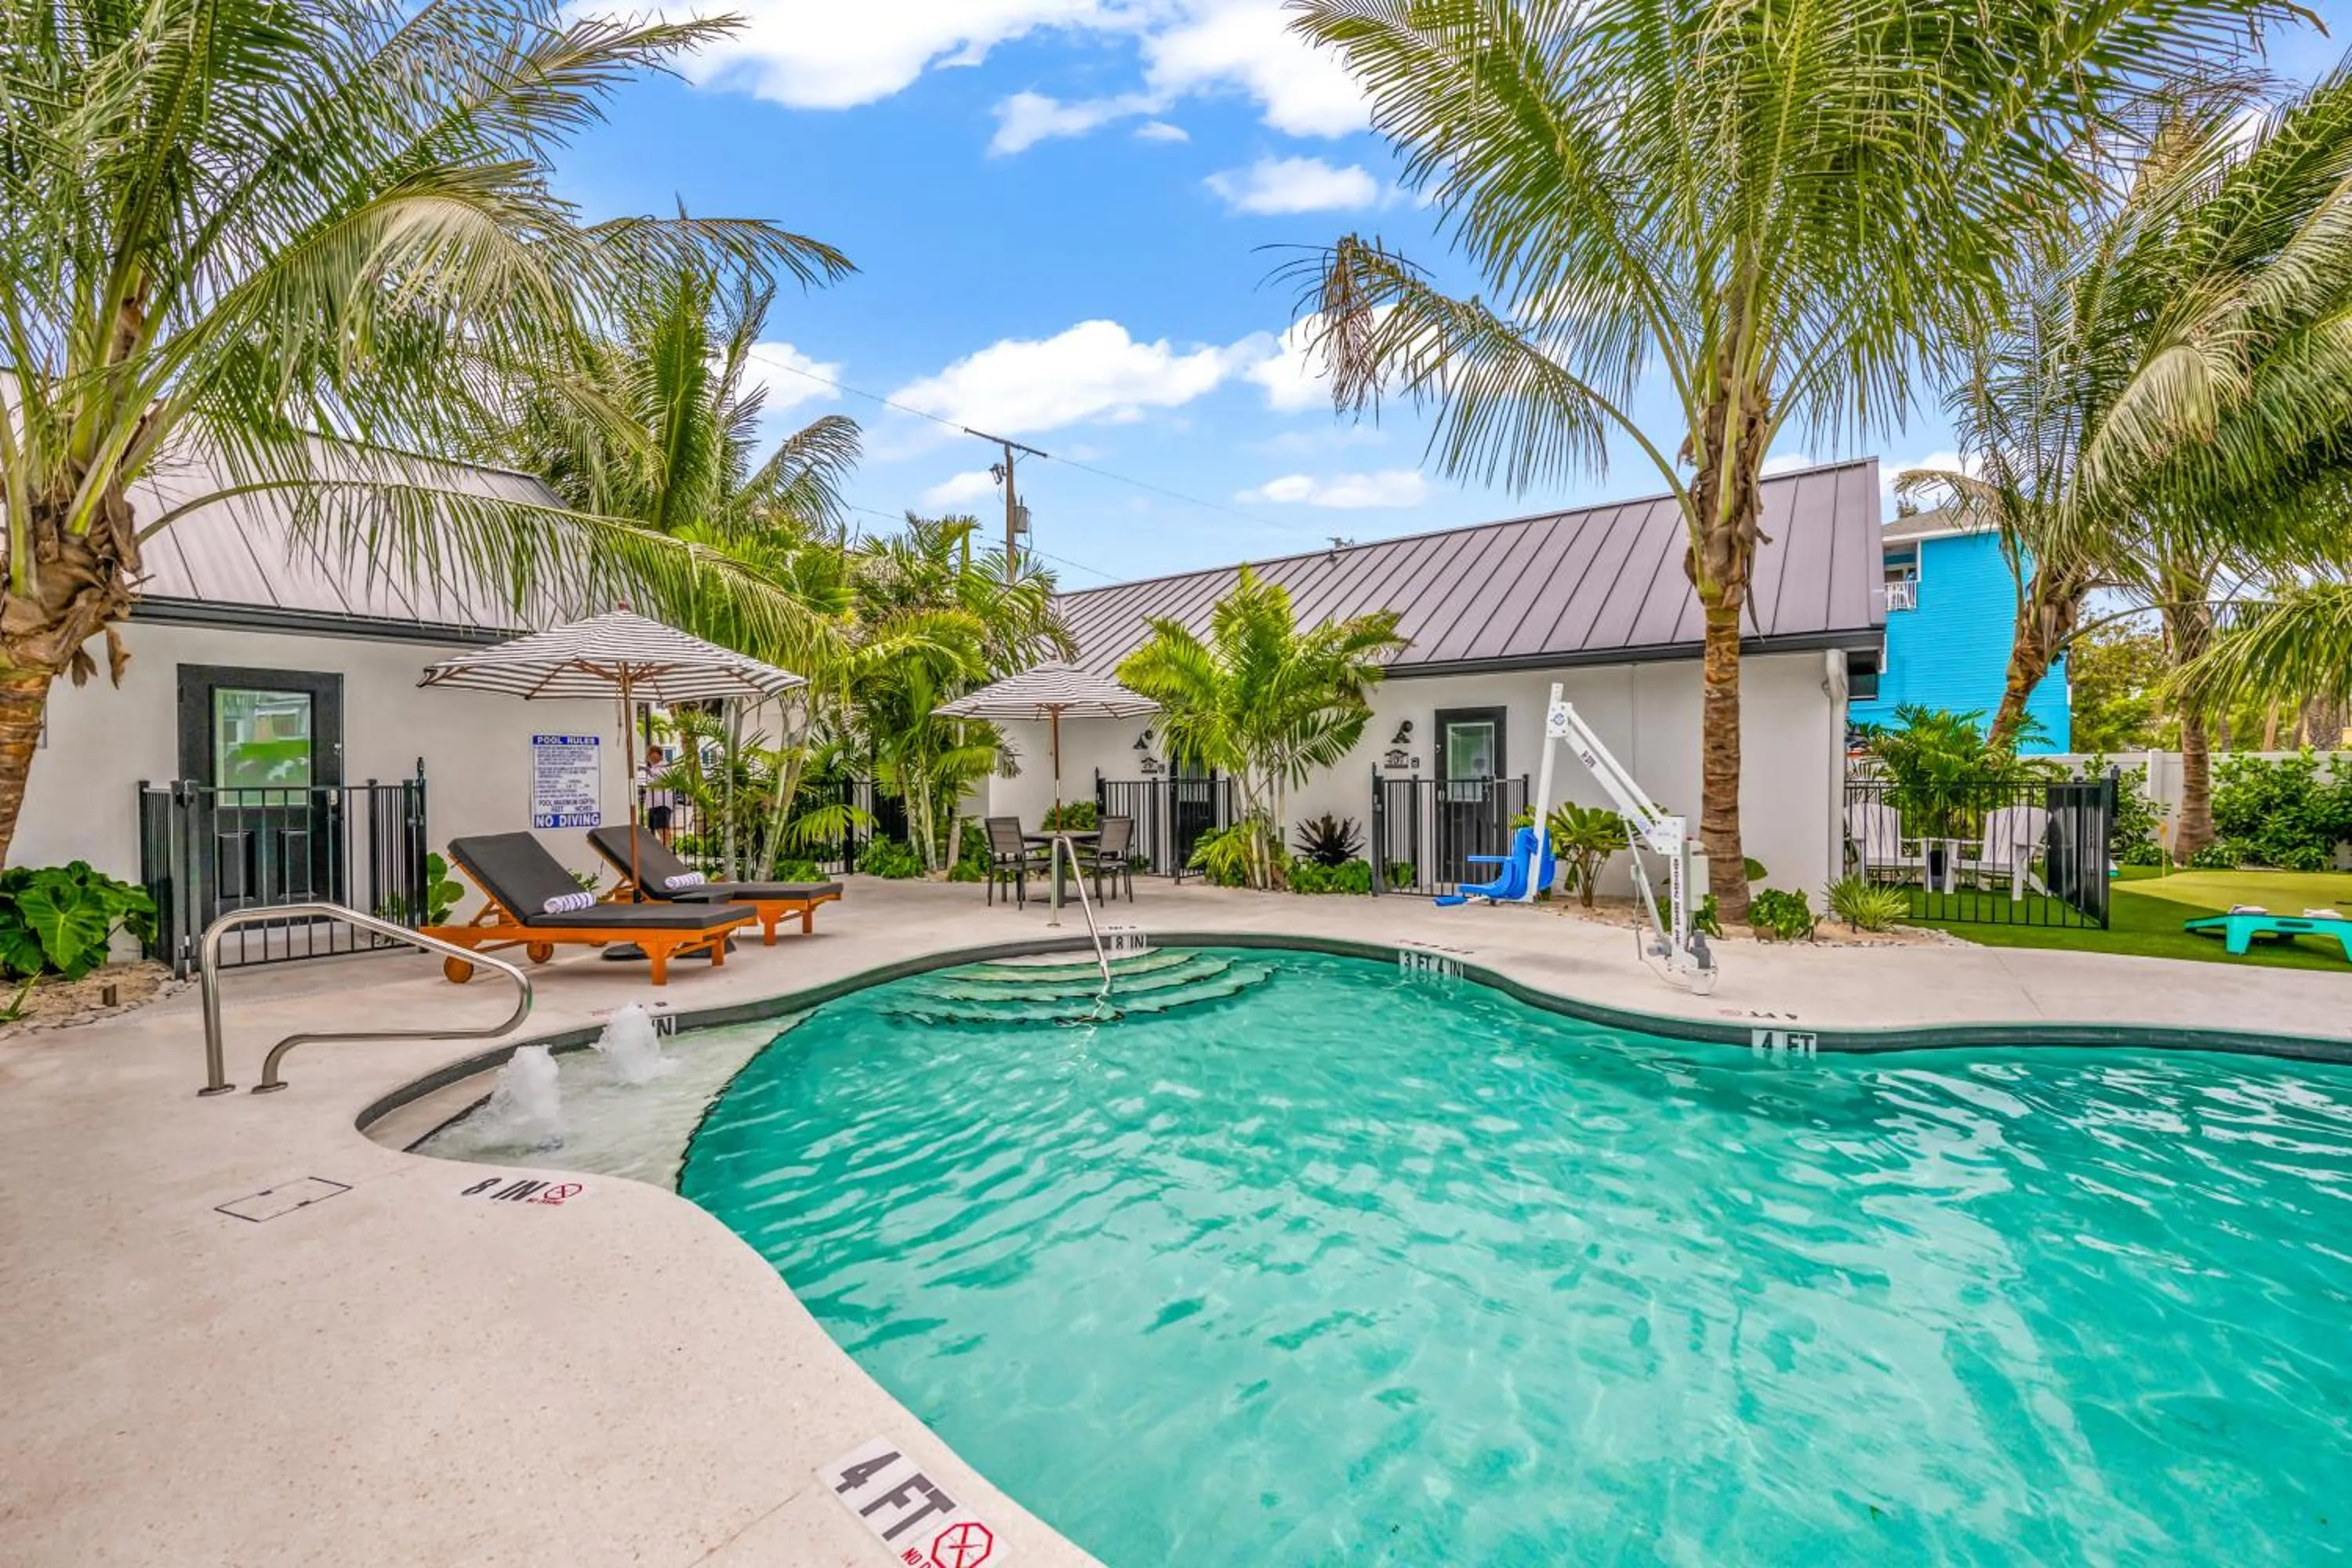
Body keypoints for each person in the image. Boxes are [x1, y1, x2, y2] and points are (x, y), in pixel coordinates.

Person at [641, 744, 676, 847]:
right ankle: (664, 852)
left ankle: (666, 853)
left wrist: (648, 770)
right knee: (655, 830)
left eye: (653, 753)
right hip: (653, 804)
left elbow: (661, 777)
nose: (651, 756)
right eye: (649, 754)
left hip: (662, 804)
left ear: (660, 755)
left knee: (663, 831)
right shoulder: (653, 768)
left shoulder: (665, 766)